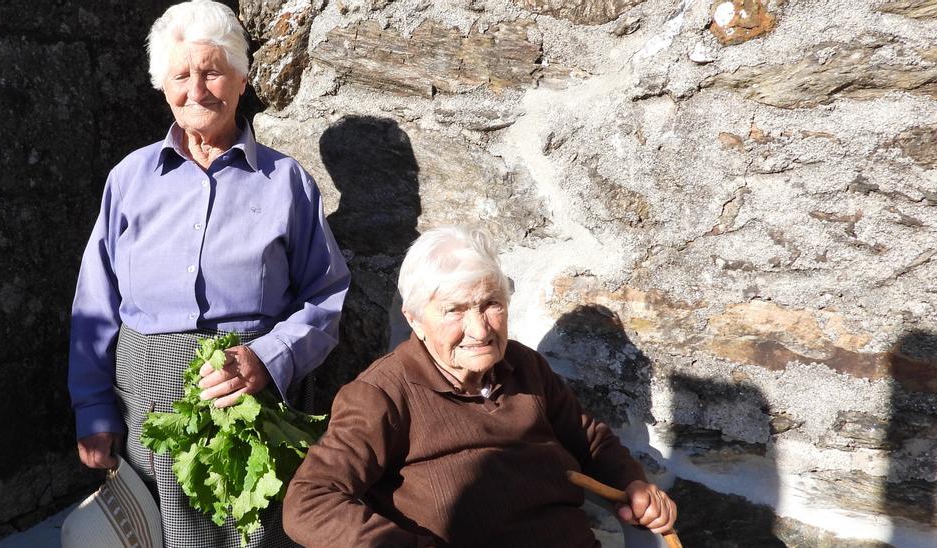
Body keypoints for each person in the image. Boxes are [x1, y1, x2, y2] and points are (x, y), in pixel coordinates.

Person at [67, 1, 350, 546]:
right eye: (180, 74)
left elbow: (326, 296)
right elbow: (94, 302)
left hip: (251, 393)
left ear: (242, 79)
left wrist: (266, 359)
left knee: (253, 533)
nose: (197, 89)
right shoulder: (130, 179)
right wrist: (93, 406)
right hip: (147, 395)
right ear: (161, 85)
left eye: (213, 71)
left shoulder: (286, 183)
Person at [282, 226, 676, 547]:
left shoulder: (524, 366)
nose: (480, 329)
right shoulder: (382, 395)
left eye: (491, 304)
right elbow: (310, 502)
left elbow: (591, 441)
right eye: (454, 309)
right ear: (415, 319)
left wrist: (632, 483)